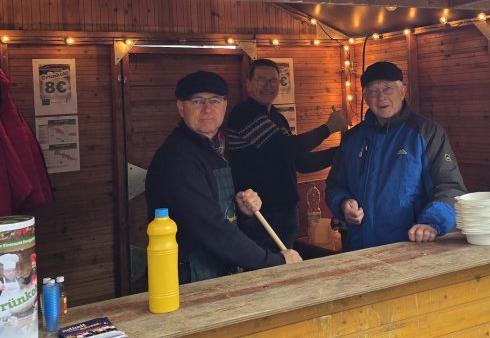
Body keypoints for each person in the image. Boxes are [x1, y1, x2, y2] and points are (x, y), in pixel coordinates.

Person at [145, 71, 302, 284]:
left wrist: (242, 211)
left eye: (215, 100)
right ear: (181, 107)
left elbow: (221, 214)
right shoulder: (178, 158)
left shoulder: (213, 151)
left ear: (225, 105)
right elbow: (211, 228)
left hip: (216, 272)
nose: (207, 109)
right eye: (197, 101)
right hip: (186, 279)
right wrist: (274, 261)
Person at [325, 62, 467, 251]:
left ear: (402, 91)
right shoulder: (352, 138)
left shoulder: (427, 133)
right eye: (373, 91)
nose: (381, 97)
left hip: (411, 248)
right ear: (365, 97)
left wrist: (431, 223)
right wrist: (343, 203)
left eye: (387, 89)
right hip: (358, 249)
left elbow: (450, 188)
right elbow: (335, 185)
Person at [228, 59, 348, 251]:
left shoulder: (277, 117)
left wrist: (342, 152)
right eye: (261, 80)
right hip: (259, 214)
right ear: (248, 84)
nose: (268, 86)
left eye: (273, 81)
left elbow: (301, 163)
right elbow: (286, 148)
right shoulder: (244, 114)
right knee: (269, 265)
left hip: (287, 210)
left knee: (288, 261)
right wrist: (329, 127)